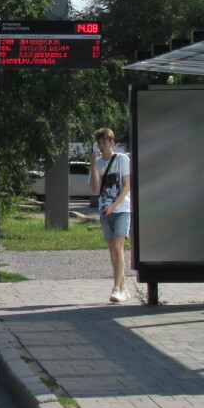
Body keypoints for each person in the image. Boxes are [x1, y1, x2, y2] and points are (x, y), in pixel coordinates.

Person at [89, 127, 132, 303]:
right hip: (104, 210)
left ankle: (116, 288)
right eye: (99, 143)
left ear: (111, 143)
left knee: (118, 246)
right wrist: (92, 166)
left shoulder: (121, 159)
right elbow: (95, 189)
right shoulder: (98, 163)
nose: (101, 146)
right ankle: (123, 287)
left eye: (104, 142)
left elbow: (127, 185)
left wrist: (114, 205)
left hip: (121, 209)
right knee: (112, 250)